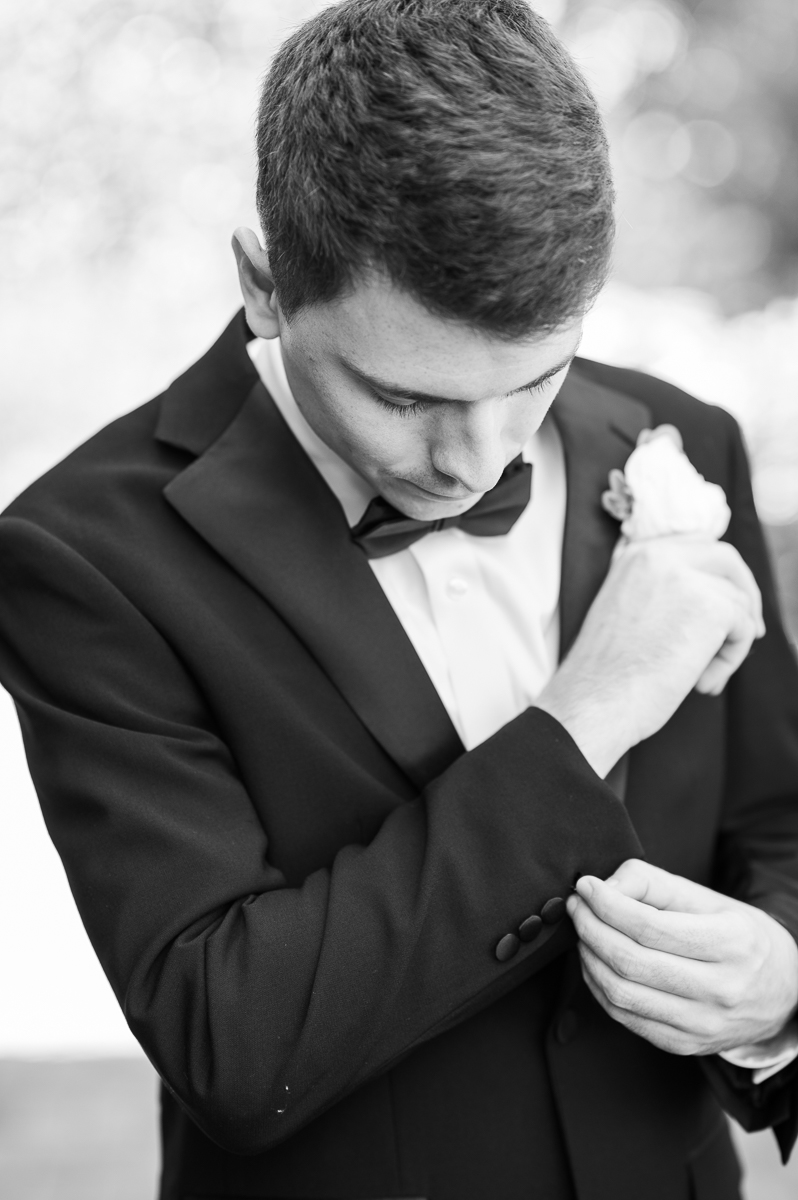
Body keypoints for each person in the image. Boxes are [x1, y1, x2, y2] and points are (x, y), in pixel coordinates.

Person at [1, 2, 798, 1197]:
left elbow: (779, 823)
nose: (474, 461)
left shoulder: (685, 437)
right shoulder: (84, 555)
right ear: (266, 285)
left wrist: (783, 982)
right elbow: (233, 1041)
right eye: (404, 399)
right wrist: (592, 711)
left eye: (534, 379)